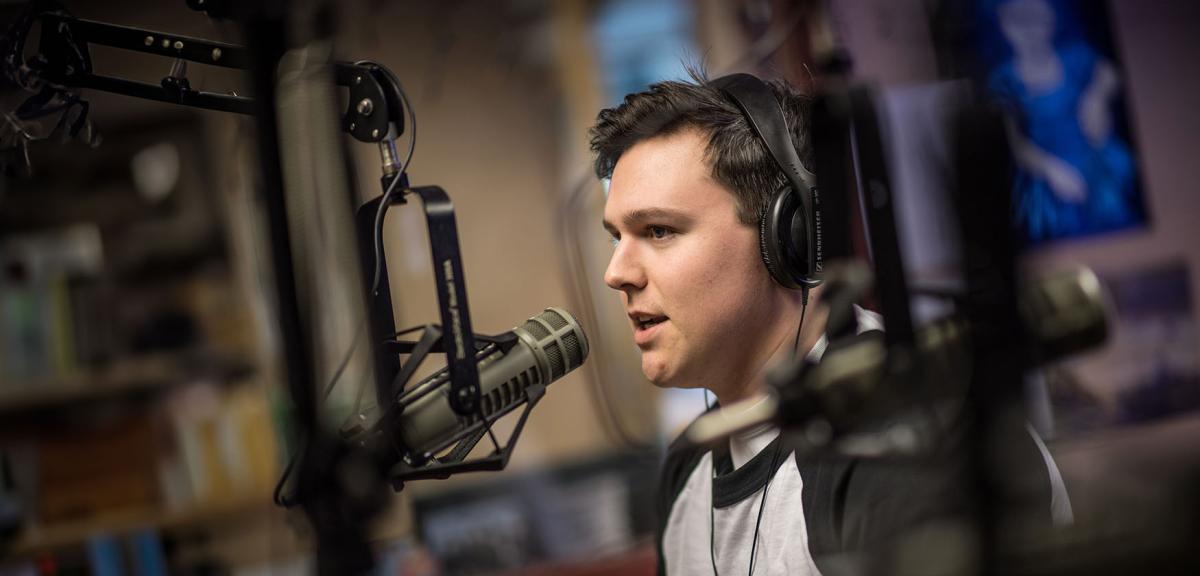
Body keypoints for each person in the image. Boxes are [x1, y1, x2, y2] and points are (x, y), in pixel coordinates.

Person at [589, 71, 1068, 575]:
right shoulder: (690, 466)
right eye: (616, 237)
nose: (616, 273)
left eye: (658, 230)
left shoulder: (906, 437)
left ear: (786, 236)